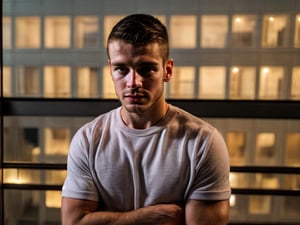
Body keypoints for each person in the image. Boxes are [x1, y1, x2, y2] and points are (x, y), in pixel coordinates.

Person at [61, 13, 231, 225]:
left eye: (147, 69)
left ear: (167, 70)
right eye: (121, 69)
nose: (133, 82)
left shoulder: (203, 142)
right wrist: (146, 217)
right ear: (110, 70)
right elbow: (73, 222)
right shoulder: (88, 140)